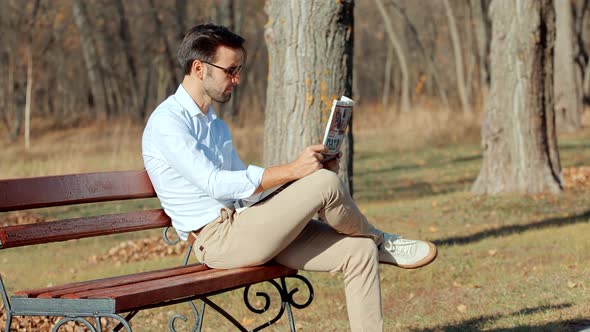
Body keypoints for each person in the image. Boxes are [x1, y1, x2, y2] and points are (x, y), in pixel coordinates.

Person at [142, 23, 437, 332]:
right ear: (199, 68)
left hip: (248, 225)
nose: (237, 79)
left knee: (358, 251)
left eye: (238, 70)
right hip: (217, 240)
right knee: (326, 186)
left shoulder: (215, 126)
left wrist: (303, 177)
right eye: (230, 70)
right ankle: (381, 241)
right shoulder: (168, 123)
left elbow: (248, 194)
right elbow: (214, 182)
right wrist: (296, 172)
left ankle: (371, 245)